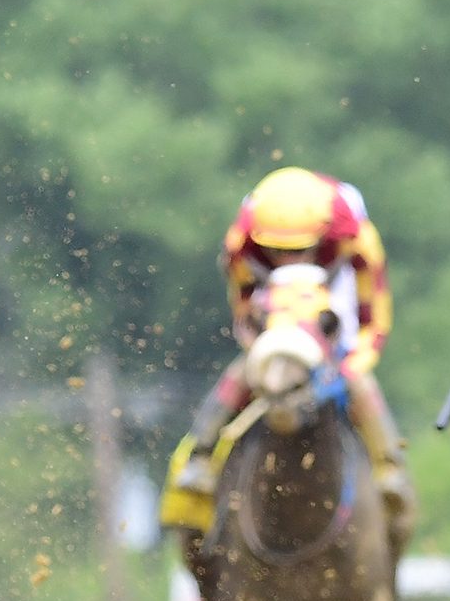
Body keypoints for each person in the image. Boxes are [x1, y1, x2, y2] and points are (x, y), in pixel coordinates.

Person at [170, 166, 415, 524]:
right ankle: (201, 458)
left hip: (333, 323)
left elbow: (374, 320)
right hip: (275, 328)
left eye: (301, 249)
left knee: (361, 383)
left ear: (322, 237)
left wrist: (349, 366)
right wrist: (258, 351)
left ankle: (390, 468)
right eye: (277, 251)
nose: (288, 259)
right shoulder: (241, 244)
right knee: (240, 373)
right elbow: (243, 310)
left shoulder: (357, 240)